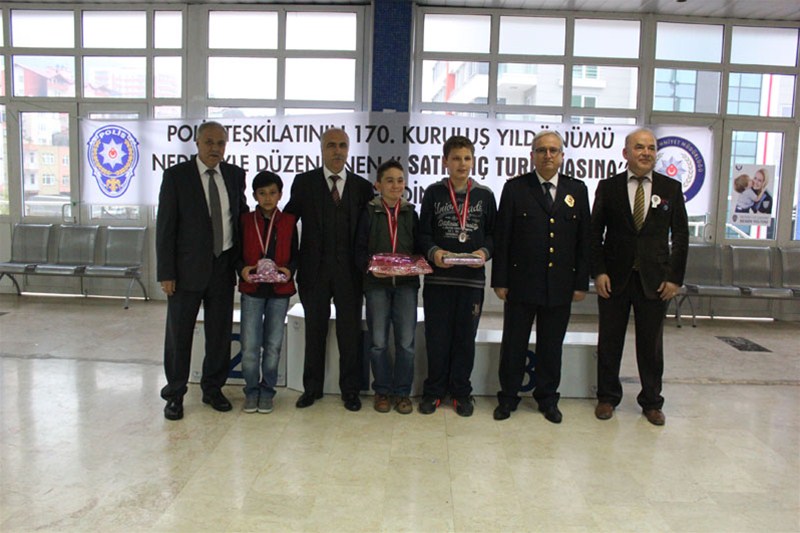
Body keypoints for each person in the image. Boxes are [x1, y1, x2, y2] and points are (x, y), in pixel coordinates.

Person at [591, 128, 689, 426]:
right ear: (626, 153)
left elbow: (681, 236)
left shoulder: (671, 188)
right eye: (639, 147)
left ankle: (652, 401)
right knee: (610, 341)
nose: (646, 153)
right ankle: (607, 397)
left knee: (651, 345)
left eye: (650, 148)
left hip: (655, 281)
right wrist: (599, 272)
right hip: (614, 279)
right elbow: (594, 234)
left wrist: (674, 278)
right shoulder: (608, 187)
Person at [491, 131, 591, 424]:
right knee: (514, 344)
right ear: (532, 155)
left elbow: (584, 240)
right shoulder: (515, 189)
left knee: (551, 346)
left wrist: (580, 282)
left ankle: (547, 398)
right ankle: (508, 397)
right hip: (521, 283)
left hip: (560, 284)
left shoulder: (577, 190)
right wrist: (500, 280)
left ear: (562, 156)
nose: (548, 155)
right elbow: (503, 237)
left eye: (553, 150)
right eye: (542, 150)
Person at [156, 121, 248, 421]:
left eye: (221, 143)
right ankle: (175, 394)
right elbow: (166, 227)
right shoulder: (176, 176)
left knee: (219, 334)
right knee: (179, 335)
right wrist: (166, 272)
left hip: (223, 268)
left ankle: (213, 389)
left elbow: (240, 218)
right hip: (185, 272)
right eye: (209, 142)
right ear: (197, 143)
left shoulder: (234, 175)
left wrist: (244, 263)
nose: (215, 148)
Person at [284, 128, 374, 412]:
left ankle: (351, 391)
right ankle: (312, 389)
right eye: (331, 145)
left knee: (349, 334)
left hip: (350, 273)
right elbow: (287, 224)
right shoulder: (304, 183)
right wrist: (287, 263)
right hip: (314, 272)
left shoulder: (362, 187)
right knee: (315, 332)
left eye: (342, 145)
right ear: (322, 149)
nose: (337, 151)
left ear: (348, 150)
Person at [418, 135, 497, 417]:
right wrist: (434, 252)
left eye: (466, 158)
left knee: (465, 339)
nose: (462, 164)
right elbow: (423, 234)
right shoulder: (433, 193)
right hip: (438, 281)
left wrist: (484, 253)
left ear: (473, 161)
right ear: (445, 162)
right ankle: (434, 391)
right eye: (455, 158)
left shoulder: (485, 195)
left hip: (471, 281)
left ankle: (461, 392)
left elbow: (494, 235)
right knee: (437, 338)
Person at [355, 160, 421, 415]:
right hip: (376, 285)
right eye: (390, 180)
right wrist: (370, 267)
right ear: (378, 185)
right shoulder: (369, 212)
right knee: (379, 342)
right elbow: (359, 249)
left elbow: (419, 248)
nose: (396, 185)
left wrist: (416, 265)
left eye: (400, 180)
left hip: (406, 286)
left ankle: (402, 393)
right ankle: (382, 390)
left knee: (406, 343)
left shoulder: (411, 212)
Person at [236, 171, 298, 414]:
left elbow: (295, 254)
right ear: (254, 196)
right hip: (252, 290)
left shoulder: (289, 221)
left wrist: (289, 270)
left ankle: (267, 391)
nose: (268, 198)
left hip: (279, 291)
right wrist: (242, 269)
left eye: (273, 193)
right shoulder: (244, 220)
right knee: (250, 346)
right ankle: (251, 391)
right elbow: (237, 252)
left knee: (273, 345)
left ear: (280, 195)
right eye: (262, 193)